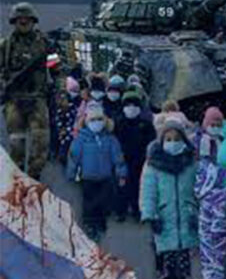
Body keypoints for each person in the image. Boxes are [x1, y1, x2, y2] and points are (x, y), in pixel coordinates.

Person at [140, 119, 198, 279]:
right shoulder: (153, 164)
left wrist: (198, 211)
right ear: (162, 141)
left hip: (186, 212)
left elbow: (198, 187)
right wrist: (150, 213)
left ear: (184, 140)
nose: (173, 143)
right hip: (163, 214)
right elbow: (148, 191)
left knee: (184, 248)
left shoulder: (190, 162)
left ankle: (185, 278)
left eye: (177, 139)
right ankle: (169, 278)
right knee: (168, 249)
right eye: (169, 139)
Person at [0, 2, 50, 179]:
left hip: (37, 99)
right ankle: (19, 181)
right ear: (14, 21)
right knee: (16, 145)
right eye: (19, 19)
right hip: (14, 100)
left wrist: (61, 93)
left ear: (33, 20)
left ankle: (34, 179)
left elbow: (57, 69)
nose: (23, 22)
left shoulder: (45, 44)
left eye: (26, 19)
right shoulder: (5, 46)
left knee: (40, 145)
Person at [67, 105, 127, 242]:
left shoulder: (110, 139)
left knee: (103, 201)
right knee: (89, 202)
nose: (97, 123)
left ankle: (100, 222)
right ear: (87, 121)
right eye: (93, 120)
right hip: (87, 177)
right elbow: (74, 157)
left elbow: (118, 157)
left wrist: (121, 173)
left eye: (99, 119)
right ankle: (89, 224)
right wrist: (72, 172)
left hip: (105, 177)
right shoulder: (81, 139)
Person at [194, 156, 226, 279]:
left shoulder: (204, 197)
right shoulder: (220, 198)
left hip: (207, 252)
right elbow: (219, 229)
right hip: (219, 254)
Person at [115, 90, 156, 222]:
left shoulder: (146, 124)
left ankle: (137, 210)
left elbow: (152, 142)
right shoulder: (119, 123)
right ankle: (120, 210)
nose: (131, 108)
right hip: (123, 160)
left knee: (138, 186)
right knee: (121, 186)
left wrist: (148, 157)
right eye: (128, 105)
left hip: (140, 160)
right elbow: (115, 142)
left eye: (134, 105)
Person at [54, 76, 81, 165]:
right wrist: (62, 129)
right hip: (65, 130)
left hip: (72, 130)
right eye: (73, 90)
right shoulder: (62, 102)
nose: (75, 93)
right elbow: (59, 118)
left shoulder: (76, 102)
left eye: (76, 91)